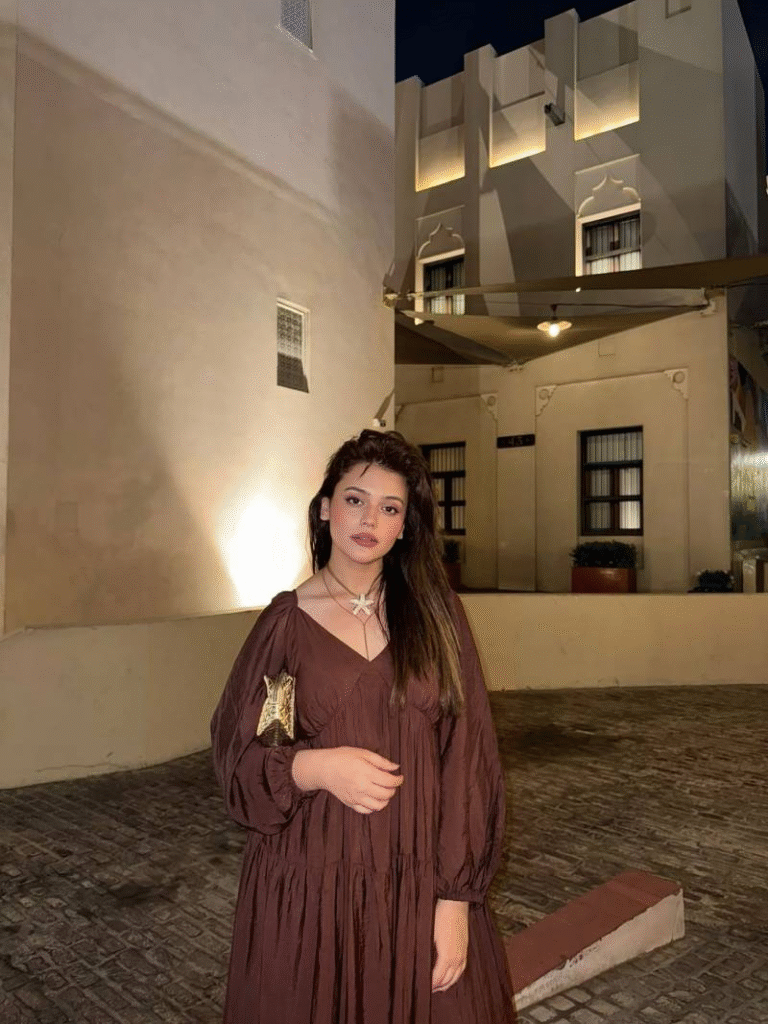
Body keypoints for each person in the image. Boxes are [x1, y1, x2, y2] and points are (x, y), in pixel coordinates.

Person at [210, 429, 517, 1024]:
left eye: (390, 508)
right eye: (355, 499)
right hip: (311, 885)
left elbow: (468, 759)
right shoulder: (286, 627)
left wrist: (455, 899)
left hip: (416, 880)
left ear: (405, 527)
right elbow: (242, 759)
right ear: (326, 509)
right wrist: (312, 767)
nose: (369, 519)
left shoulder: (437, 617)